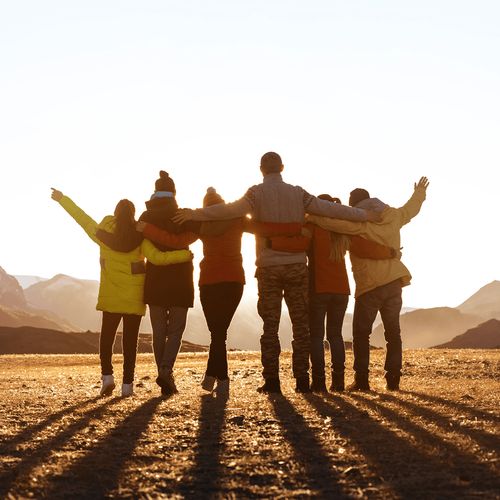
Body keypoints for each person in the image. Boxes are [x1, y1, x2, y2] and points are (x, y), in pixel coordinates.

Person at [173, 152, 381, 394]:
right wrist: (366, 215)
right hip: (296, 267)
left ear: (261, 170)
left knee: (269, 328)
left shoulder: (254, 194)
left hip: (268, 268)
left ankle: (272, 382)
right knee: (300, 326)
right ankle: (302, 381)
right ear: (282, 167)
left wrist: (194, 213)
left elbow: (228, 211)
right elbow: (330, 210)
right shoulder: (298, 193)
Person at [138, 187, 307, 398]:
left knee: (217, 334)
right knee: (219, 334)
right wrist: (295, 226)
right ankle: (214, 379)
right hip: (234, 281)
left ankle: (221, 379)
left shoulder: (201, 223)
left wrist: (146, 229)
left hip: (209, 282)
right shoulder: (237, 219)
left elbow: (175, 241)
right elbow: (265, 228)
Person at [50, 188, 193, 397]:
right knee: (129, 343)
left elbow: (81, 217)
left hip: (111, 296)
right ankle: (128, 386)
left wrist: (62, 199)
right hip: (134, 299)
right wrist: (183, 255)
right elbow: (158, 258)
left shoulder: (101, 234)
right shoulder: (141, 239)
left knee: (107, 338)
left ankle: (107, 377)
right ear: (133, 215)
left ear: (116, 214)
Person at [307, 177, 429, 391]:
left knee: (361, 334)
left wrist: (311, 216)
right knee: (393, 333)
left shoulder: (358, 221)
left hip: (370, 285)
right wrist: (420, 192)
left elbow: (334, 223)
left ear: (353, 205)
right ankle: (393, 382)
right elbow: (411, 209)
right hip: (394, 282)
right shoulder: (393, 216)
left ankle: (362, 381)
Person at [267, 194, 398, 393]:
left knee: (317, 337)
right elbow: (365, 248)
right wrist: (390, 252)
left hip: (319, 288)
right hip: (341, 290)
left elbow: (298, 245)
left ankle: (319, 382)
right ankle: (338, 382)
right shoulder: (342, 230)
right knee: (335, 336)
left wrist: (272, 243)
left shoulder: (313, 227)